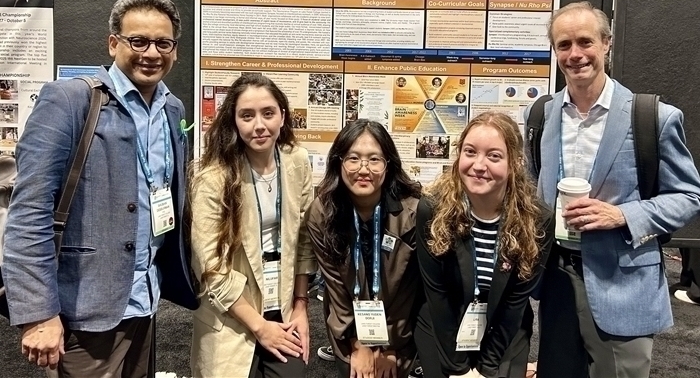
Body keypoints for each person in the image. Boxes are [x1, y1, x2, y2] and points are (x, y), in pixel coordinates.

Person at [2, 0, 197, 376]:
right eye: (138, 41)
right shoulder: (71, 101)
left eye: (163, 43)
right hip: (83, 306)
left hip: (145, 297)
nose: (151, 53)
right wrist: (38, 314)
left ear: (174, 50)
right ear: (114, 43)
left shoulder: (172, 109)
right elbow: (29, 212)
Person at [526, 1, 700, 378]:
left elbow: (688, 196)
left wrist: (622, 214)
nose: (575, 55)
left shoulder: (652, 117)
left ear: (606, 43)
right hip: (557, 280)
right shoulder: (540, 115)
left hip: (624, 282)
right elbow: (532, 186)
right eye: (564, 45)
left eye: (585, 42)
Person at [189, 72, 316, 378]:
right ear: (234, 121)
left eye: (268, 113)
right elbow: (209, 267)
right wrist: (260, 328)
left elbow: (304, 241)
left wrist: (301, 307)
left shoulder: (297, 161)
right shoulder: (212, 178)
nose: (259, 125)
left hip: (283, 309)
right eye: (247, 115)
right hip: (232, 314)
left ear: (282, 117)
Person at [415, 112, 554, 378]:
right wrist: (460, 369)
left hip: (504, 333)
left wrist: (486, 370)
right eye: (470, 152)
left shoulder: (538, 220)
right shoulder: (432, 209)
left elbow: (516, 301)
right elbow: (436, 293)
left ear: (514, 163)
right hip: (444, 328)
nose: (479, 165)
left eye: (494, 156)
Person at [306, 120, 423, 378]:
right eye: (353, 158)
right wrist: (358, 344)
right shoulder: (322, 213)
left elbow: (409, 290)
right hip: (348, 327)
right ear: (339, 162)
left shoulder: (413, 213)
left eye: (374, 160)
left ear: (388, 165)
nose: (363, 169)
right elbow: (335, 288)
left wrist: (390, 346)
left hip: (399, 330)